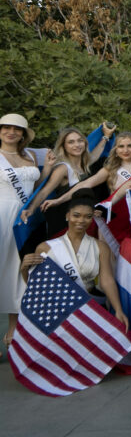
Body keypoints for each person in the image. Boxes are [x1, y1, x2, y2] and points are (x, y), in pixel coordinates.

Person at [18, 189, 129, 337]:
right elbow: (37, 288)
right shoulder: (46, 247)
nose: (81, 221)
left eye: (87, 217)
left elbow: (107, 280)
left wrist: (118, 309)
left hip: (94, 309)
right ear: (67, 216)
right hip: (60, 313)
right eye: (76, 215)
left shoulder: (101, 247)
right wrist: (24, 269)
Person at [2, 113, 41, 349]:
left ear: (23, 134)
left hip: (25, 219)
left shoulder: (31, 155)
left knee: (19, 271)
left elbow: (38, 187)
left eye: (17, 129)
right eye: (6, 128)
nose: (11, 132)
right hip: (1, 215)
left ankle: (13, 329)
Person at [20, 126, 98, 237]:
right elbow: (44, 191)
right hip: (66, 223)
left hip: (84, 222)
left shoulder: (84, 165)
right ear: (64, 146)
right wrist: (31, 208)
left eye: (80, 140)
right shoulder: (63, 168)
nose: (77, 145)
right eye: (71, 142)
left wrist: (105, 137)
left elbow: (95, 155)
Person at [42, 131, 131, 210]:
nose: (125, 150)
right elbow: (84, 184)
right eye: (121, 146)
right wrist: (59, 200)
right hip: (117, 215)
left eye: (130, 146)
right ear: (116, 150)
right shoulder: (109, 169)